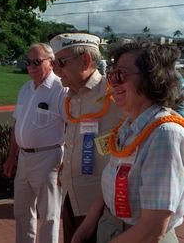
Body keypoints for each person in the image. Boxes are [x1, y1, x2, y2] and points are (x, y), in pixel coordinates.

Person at [72, 41, 184, 243]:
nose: (112, 83)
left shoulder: (164, 134)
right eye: (111, 75)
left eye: (120, 75)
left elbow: (152, 229)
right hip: (112, 228)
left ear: (152, 77)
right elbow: (111, 187)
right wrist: (84, 229)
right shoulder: (128, 127)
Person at [49, 33, 124, 243]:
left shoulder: (114, 95)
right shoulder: (71, 95)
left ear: (86, 61)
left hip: (101, 205)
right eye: (54, 63)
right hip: (71, 197)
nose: (55, 69)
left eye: (61, 63)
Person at [3, 43, 68, 243]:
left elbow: (72, 128)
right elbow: (17, 124)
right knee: (22, 211)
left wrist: (66, 161)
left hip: (49, 159)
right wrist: (11, 158)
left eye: (37, 62)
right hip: (24, 158)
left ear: (51, 63)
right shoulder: (26, 88)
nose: (31, 66)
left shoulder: (61, 89)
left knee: (49, 214)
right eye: (28, 62)